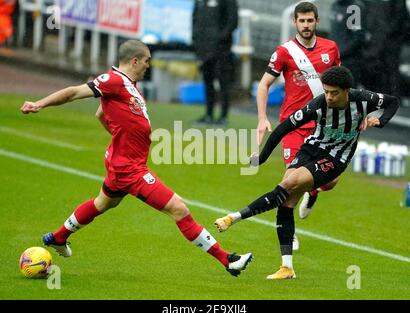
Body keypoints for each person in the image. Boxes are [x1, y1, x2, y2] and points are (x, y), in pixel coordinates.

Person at [20, 40, 253, 277]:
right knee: (179, 209)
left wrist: (120, 135)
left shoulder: (128, 86)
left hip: (124, 161)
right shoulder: (113, 81)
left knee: (103, 203)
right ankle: (228, 260)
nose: (148, 66)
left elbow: (102, 113)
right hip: (129, 169)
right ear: (134, 61)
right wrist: (39, 104)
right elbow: (72, 93)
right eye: (146, 61)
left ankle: (59, 237)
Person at [215, 66, 400, 279]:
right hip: (310, 149)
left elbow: (393, 102)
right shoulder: (318, 104)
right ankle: (287, 268)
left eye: (334, 93)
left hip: (335, 159)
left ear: (346, 90)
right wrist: (262, 157)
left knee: (290, 182)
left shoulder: (364, 99)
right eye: (326, 91)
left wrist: (380, 120)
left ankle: (233, 217)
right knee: (287, 202)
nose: (328, 97)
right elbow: (284, 128)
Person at [255, 2, 341, 252]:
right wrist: (262, 118)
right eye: (301, 21)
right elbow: (263, 85)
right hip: (294, 125)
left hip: (325, 126)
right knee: (290, 180)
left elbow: (341, 83)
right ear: (295, 22)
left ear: (317, 21)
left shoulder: (331, 49)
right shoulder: (284, 52)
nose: (306, 25)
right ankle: (288, 233)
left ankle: (313, 192)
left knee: (331, 181)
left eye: (310, 21)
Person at [192, 0, 238, 126]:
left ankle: (223, 116)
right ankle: (208, 114)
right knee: (207, 81)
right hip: (203, 48)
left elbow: (233, 22)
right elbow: (195, 19)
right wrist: (195, 39)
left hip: (221, 50)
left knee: (223, 82)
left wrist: (219, 39)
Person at [329, 0, 365, 87]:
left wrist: (340, 53)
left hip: (348, 60)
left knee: (347, 93)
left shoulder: (354, 8)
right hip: (334, 58)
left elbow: (357, 38)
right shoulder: (334, 6)